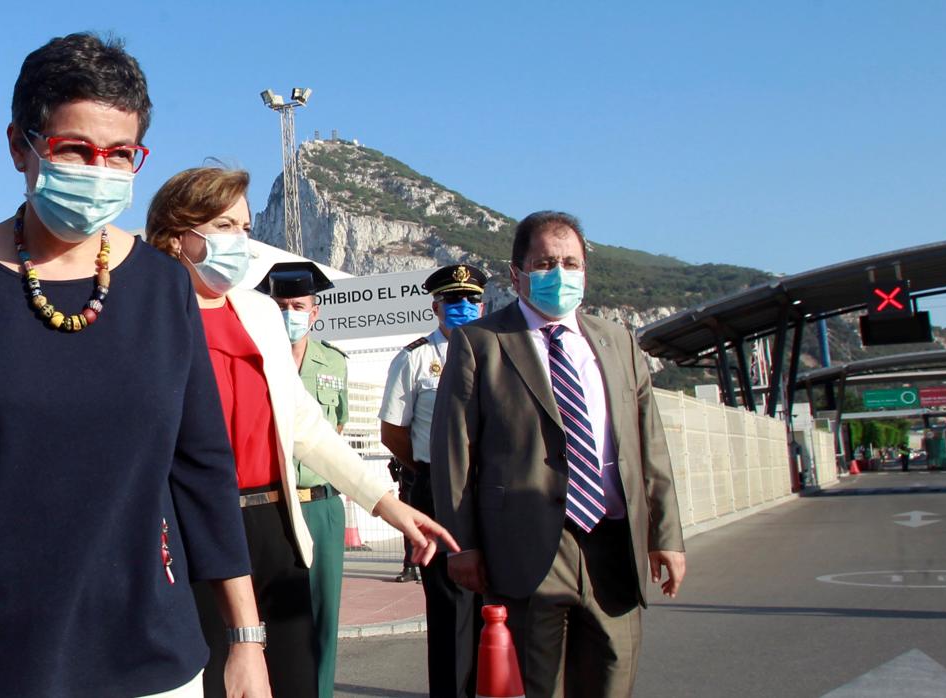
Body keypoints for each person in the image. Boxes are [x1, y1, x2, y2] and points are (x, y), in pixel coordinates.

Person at [0, 33, 270, 698]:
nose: (100, 171)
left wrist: (246, 639)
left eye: (121, 154)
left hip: (149, 662)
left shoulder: (164, 287)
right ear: (20, 146)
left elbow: (203, 468)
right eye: (75, 149)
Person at [143, 166, 458, 698]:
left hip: (274, 524)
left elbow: (306, 426)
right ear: (177, 236)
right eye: (224, 226)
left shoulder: (258, 313)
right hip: (189, 531)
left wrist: (389, 506)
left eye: (245, 227)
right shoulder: (148, 316)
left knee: (295, 678)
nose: (241, 241)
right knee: (213, 680)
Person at [430, 211, 687, 698]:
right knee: (535, 686)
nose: (560, 274)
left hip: (613, 549)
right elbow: (454, 455)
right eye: (546, 263)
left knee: (612, 679)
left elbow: (650, 447)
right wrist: (462, 545)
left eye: (571, 263)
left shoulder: (618, 343)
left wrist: (666, 535)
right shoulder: (480, 344)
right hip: (526, 552)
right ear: (517, 275)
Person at [379, 264, 488, 698]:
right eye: (453, 300)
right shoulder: (416, 358)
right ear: (435, 306)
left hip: (493, 490)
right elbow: (393, 431)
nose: (463, 307)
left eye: (471, 300)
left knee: (500, 601)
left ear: (483, 306)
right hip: (439, 490)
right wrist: (430, 470)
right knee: (450, 607)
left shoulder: (499, 352)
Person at [255, 261, 349, 698]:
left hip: (321, 505)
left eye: (298, 306)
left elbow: (337, 430)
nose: (289, 314)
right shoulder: (253, 358)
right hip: (272, 504)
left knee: (324, 618)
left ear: (314, 312)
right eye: (281, 305)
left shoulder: (334, 362)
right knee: (271, 619)